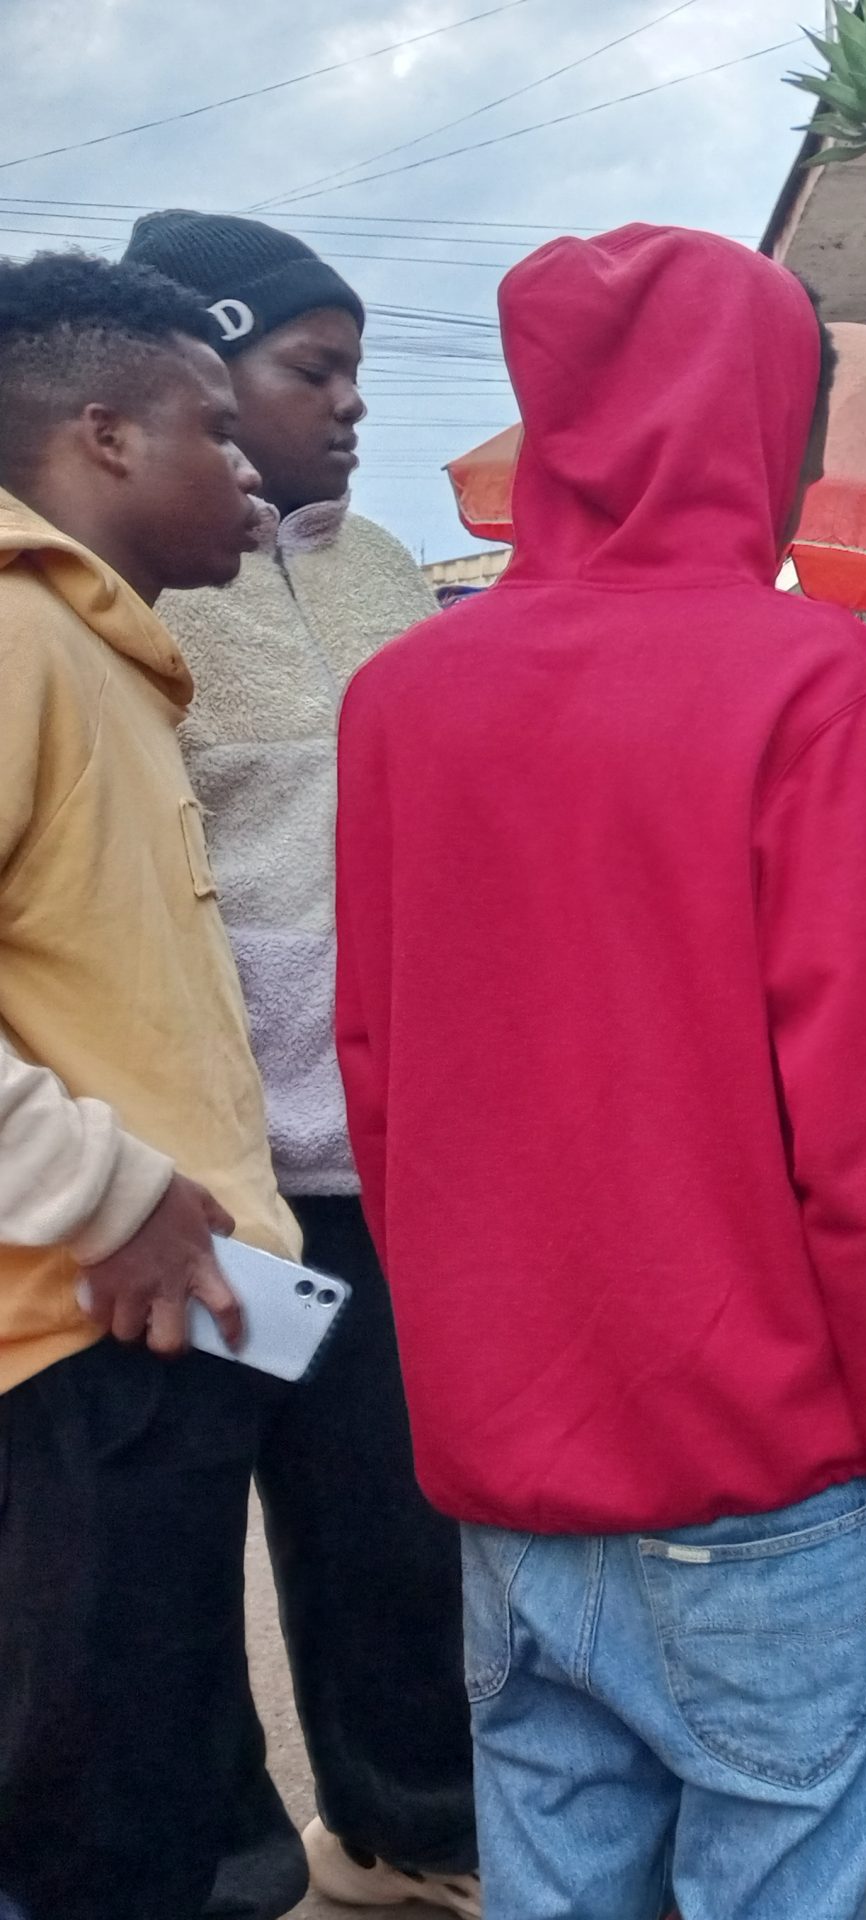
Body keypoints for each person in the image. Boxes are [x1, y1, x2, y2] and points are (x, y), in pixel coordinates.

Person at [333, 225, 866, 1917]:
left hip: (515, 1487)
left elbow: (384, 1096)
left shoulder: (401, 701)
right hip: (767, 1499)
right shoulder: (818, 686)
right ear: (759, 428)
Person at [122, 208, 478, 1918]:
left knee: (385, 1522)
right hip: (194, 1180)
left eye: (358, 369)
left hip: (381, 1162)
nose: (347, 403)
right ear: (199, 364)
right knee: (182, 1543)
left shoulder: (388, 565)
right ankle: (236, 1867)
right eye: (309, 367)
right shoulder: (119, 594)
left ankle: (399, 1826)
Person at [0, 252, 305, 1920]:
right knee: (96, 1836)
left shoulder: (96, 653)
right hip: (78, 1354)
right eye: (214, 424)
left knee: (156, 1797)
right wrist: (108, 1193)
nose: (252, 461)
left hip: (162, 1332)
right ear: (100, 435)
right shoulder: (14, 636)